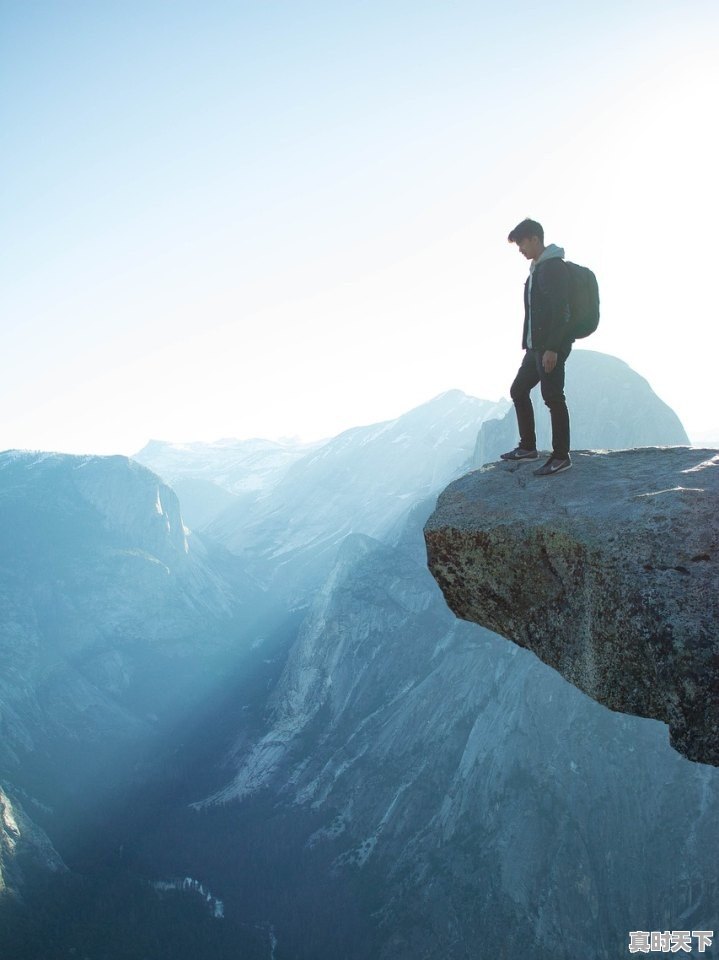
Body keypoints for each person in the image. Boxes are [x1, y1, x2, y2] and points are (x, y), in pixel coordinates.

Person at [501, 218, 573, 476]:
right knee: (518, 390)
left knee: (553, 398)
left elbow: (561, 311)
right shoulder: (537, 269)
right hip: (535, 348)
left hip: (549, 347)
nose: (519, 248)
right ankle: (528, 447)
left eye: (521, 242)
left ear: (534, 238)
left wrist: (553, 348)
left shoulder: (553, 268)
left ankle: (561, 456)